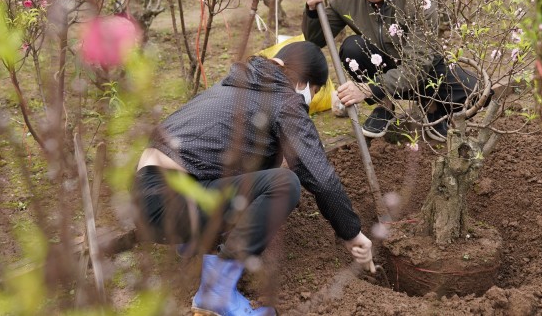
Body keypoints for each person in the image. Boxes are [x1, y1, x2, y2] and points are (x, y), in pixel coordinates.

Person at [133, 41, 374, 316]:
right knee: (283, 184)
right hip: (169, 203)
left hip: (145, 194)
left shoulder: (234, 85)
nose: (311, 98)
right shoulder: (285, 100)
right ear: (305, 83)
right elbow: (320, 177)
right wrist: (352, 233)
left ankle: (196, 243)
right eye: (315, 91)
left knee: (255, 169)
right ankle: (216, 292)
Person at [302, 0, 477, 139]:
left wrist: (369, 88)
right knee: (352, 48)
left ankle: (432, 107)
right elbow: (316, 40)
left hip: (424, 69)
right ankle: (383, 107)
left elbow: (418, 66)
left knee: (474, 93)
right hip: (383, 65)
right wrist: (312, 11)